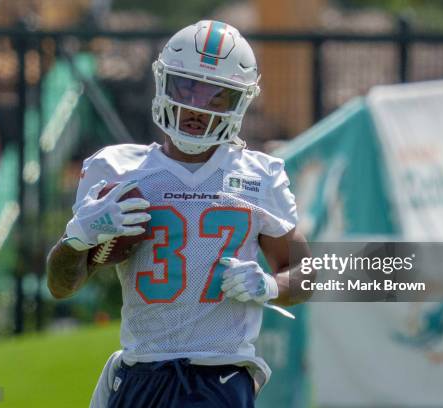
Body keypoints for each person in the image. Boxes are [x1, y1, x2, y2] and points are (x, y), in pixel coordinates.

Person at [46, 20, 311, 408]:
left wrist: (270, 286)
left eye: (216, 96)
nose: (196, 107)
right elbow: (60, 286)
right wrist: (78, 238)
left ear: (240, 101)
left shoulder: (259, 176)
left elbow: (307, 273)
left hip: (219, 375)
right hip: (139, 373)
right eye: (187, 87)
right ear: (163, 82)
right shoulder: (118, 170)